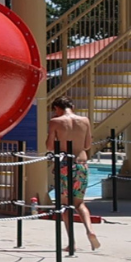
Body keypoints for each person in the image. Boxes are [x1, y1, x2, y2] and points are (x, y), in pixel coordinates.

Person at [46, 97, 101, 253]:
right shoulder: (84, 120)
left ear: (57, 108)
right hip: (81, 164)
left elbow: (50, 146)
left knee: (65, 205)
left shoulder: (56, 122)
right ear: (73, 106)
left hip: (65, 165)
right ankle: (90, 230)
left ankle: (71, 243)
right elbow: (87, 145)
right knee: (79, 203)